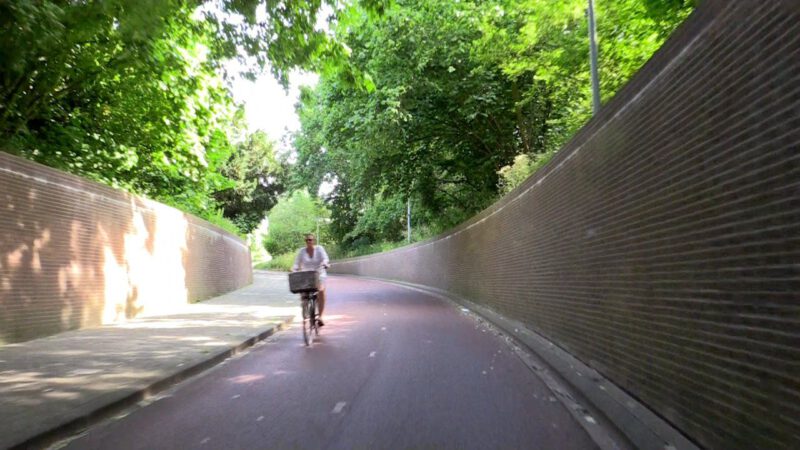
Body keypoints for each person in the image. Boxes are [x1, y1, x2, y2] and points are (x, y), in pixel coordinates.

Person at [292, 233, 330, 326]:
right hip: (306, 275)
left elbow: (325, 258)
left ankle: (320, 317)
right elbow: (296, 263)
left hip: (319, 274)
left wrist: (325, 263)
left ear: (314, 241)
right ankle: (304, 307)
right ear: (305, 241)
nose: (309, 241)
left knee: (321, 291)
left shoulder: (319, 249)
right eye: (307, 240)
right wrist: (294, 269)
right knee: (303, 291)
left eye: (310, 240)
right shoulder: (302, 251)